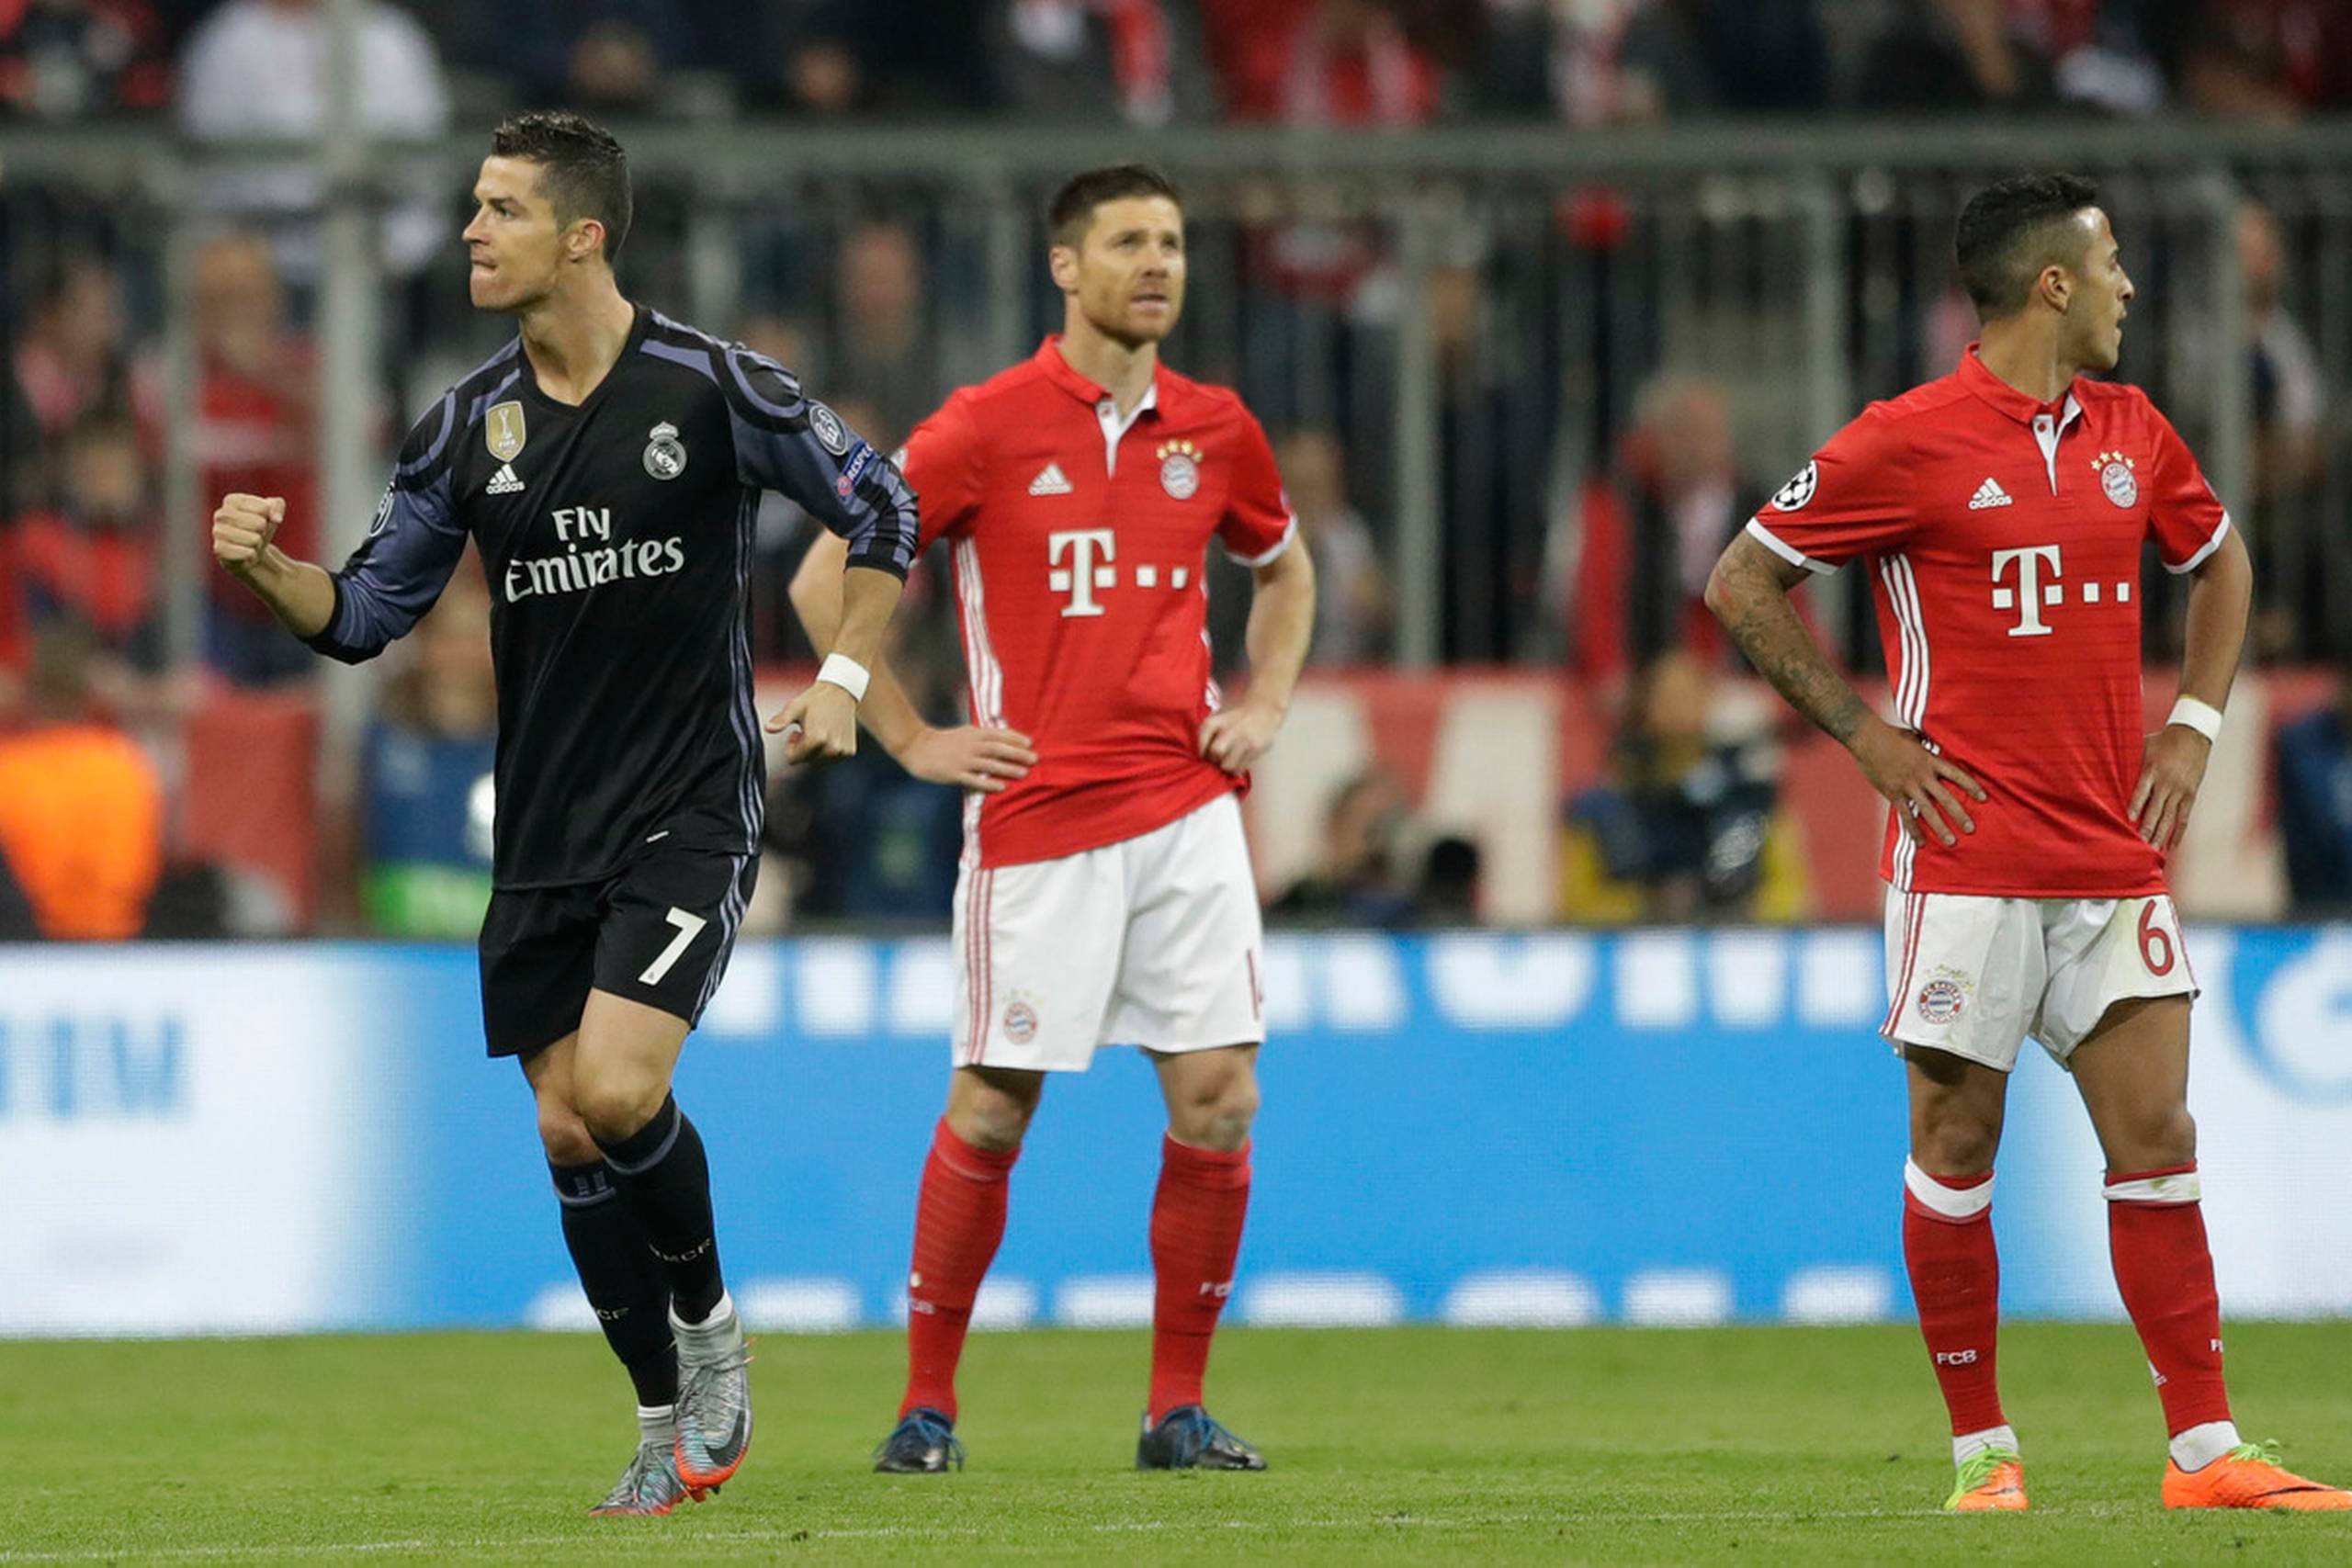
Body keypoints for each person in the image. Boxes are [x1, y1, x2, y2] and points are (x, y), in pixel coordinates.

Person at [209, 111, 917, 1516]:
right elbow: (365, 614)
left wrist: (844, 678)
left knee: (618, 1089)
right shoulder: (464, 426)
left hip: (688, 802)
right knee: (566, 1131)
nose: (472, 231)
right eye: (474, 206)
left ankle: (713, 1336)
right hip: (541, 829)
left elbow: (882, 504)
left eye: (503, 209)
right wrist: (272, 570)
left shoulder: (713, 387)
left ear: (583, 236)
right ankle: (658, 1420)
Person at [1705, 172, 2346, 1514]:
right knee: (1956, 1141)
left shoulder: (2133, 430)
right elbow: (1742, 579)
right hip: (1966, 856)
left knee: (2159, 1131)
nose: (2128, 289)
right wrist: (1865, 734)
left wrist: (2192, 726)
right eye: (2110, 265)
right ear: (2052, 283)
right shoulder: (1902, 440)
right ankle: (1983, 1456)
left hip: (2109, 853)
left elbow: (2222, 564)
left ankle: (2205, 1453)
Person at [790, 164, 1315, 1474]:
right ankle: (926, 1406)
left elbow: (1285, 569)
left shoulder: (1218, 428)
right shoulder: (983, 426)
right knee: (991, 1109)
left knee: (1221, 1100)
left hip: (1187, 808)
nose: (1158, 263)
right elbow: (824, 575)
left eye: (1172, 241)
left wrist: (1265, 702)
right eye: (1128, 241)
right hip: (1040, 819)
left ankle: (1175, 1411)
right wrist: (910, 735)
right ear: (1065, 268)